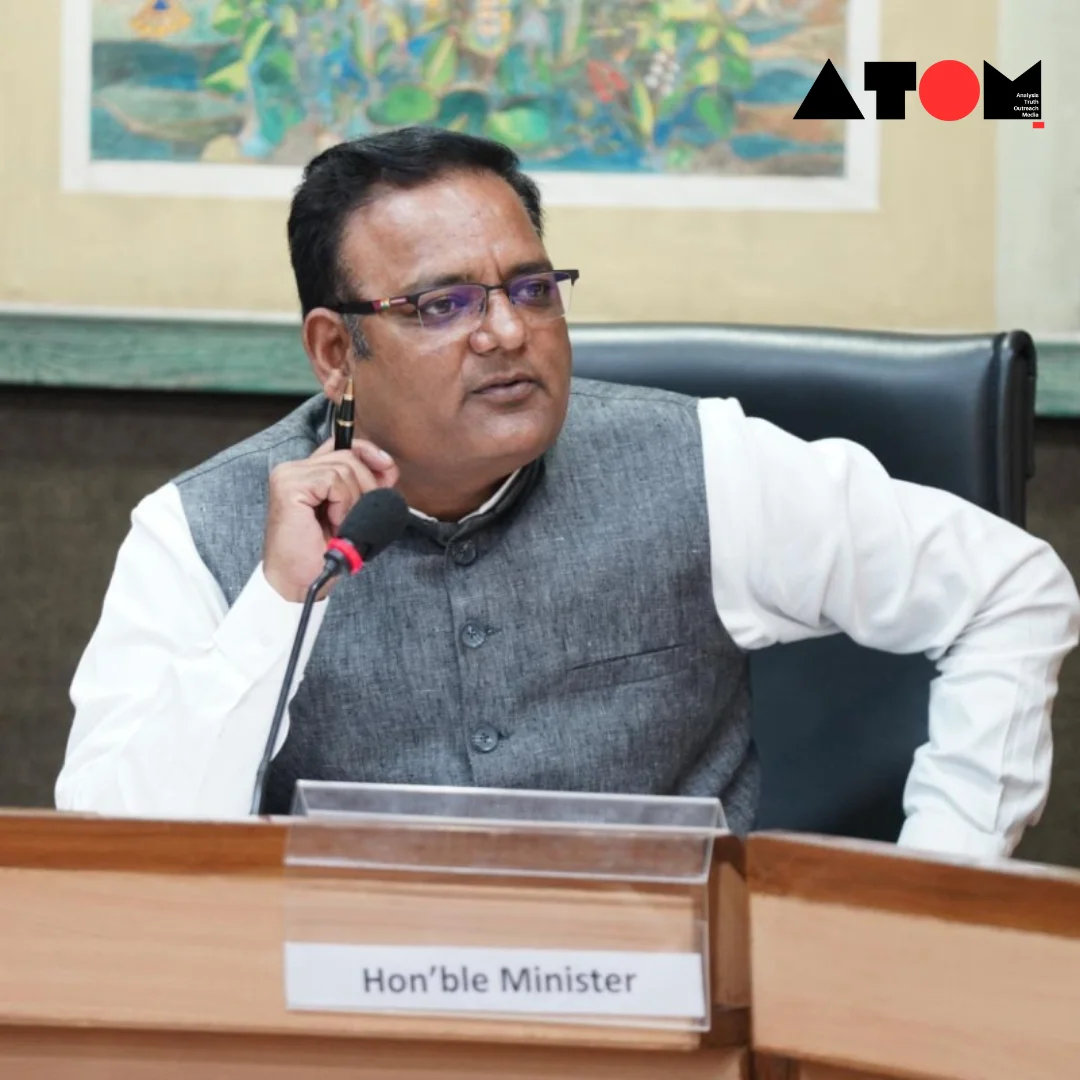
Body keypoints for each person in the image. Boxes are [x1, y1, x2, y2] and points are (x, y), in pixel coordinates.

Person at [56, 127, 1079, 859]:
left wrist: (941, 879)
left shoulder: (707, 468)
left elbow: (1012, 590)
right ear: (338, 352)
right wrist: (274, 606)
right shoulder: (196, 530)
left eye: (532, 288)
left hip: (667, 1026)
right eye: (443, 303)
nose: (507, 333)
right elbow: (112, 848)